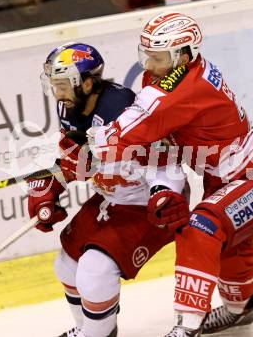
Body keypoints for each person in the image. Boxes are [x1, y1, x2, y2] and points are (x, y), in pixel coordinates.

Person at [88, 12, 253, 336]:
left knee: (203, 227)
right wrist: (161, 188)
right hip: (228, 175)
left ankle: (187, 326)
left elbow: (124, 135)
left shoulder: (181, 89)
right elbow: (158, 142)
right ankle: (240, 309)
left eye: (158, 57)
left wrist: (80, 155)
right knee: (231, 243)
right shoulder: (169, 77)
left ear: (184, 54)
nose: (148, 66)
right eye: (146, 56)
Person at [27, 42, 188, 337]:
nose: (57, 93)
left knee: (96, 268)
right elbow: (79, 157)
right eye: (54, 84)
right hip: (113, 197)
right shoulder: (70, 107)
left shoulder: (124, 110)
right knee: (67, 265)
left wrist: (165, 192)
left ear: (88, 83)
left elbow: (165, 159)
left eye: (63, 85)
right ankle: (89, 328)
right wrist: (49, 182)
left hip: (148, 204)